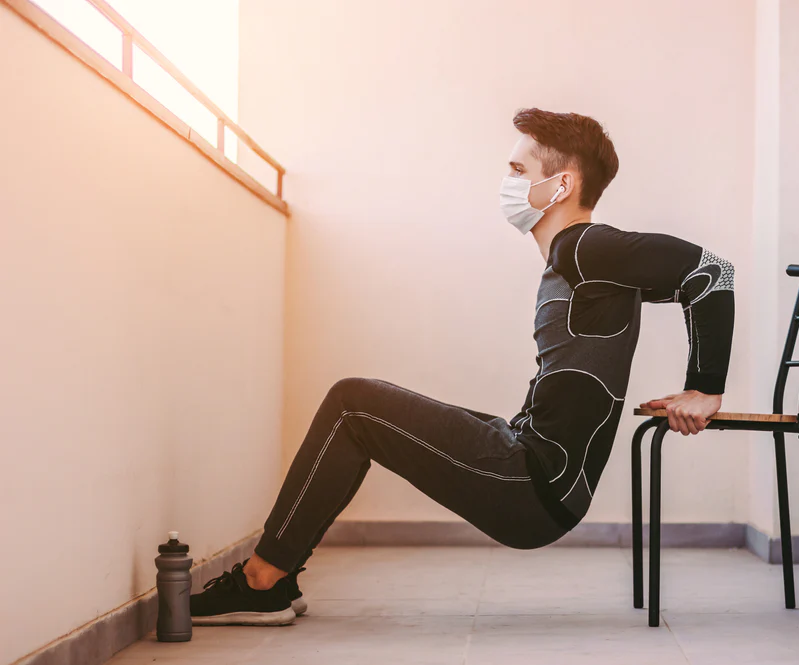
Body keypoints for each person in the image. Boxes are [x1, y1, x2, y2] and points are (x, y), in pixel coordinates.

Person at [189, 108, 735, 625]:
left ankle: (262, 580)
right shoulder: (582, 258)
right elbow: (690, 283)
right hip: (532, 465)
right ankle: (273, 580)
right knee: (361, 414)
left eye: (519, 169)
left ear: (561, 185)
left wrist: (705, 389)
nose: (509, 180)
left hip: (532, 483)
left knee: (352, 402)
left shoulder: (584, 246)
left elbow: (711, 273)